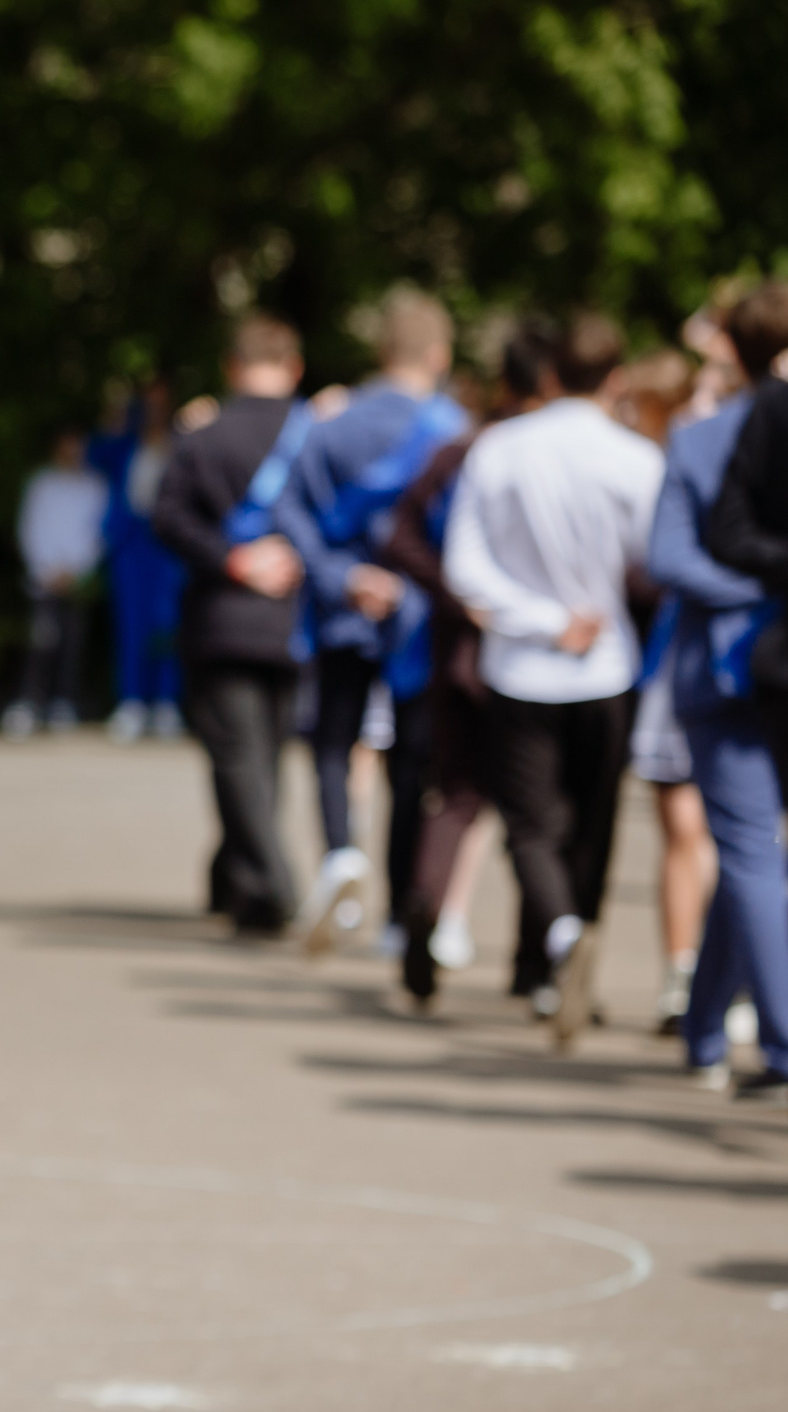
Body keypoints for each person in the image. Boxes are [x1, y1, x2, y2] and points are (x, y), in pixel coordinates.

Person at [445, 311, 664, 1049]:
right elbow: (654, 557)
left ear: (547, 375)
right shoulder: (634, 458)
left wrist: (537, 617)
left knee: (531, 825)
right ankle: (572, 949)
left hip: (522, 666)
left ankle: (560, 943)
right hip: (605, 665)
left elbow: (465, 566)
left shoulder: (498, 450)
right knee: (591, 827)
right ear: (617, 378)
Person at [273, 285, 468, 953]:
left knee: (334, 739)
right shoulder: (454, 431)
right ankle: (396, 913)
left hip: (343, 608)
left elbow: (287, 509)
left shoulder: (331, 425)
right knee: (412, 765)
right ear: (437, 354)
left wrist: (342, 576)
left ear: (382, 351)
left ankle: (339, 855)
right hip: (418, 620)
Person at [655, 282, 788, 1098]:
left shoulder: (707, 435)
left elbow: (672, 557)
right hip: (739, 666)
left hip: (736, 667)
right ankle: (786, 1044)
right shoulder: (708, 436)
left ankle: (724, 1029)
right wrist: (772, 590)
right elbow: (673, 554)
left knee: (749, 857)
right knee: (754, 855)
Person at [386, 321, 562, 1006]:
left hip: (459, 650)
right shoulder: (524, 455)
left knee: (456, 794)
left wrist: (453, 595)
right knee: (539, 812)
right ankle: (535, 962)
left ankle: (424, 905)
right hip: (538, 658)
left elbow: (398, 534)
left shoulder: (462, 451)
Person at [152, 313, 308, 935]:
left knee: (237, 759)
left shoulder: (204, 435)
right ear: (293, 368)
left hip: (221, 617)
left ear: (232, 367)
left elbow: (168, 517)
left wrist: (232, 559)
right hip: (292, 618)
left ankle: (274, 884)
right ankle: (241, 885)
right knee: (265, 758)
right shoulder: (315, 437)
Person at [610, 350, 714, 1033]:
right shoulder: (663, 463)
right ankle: (685, 978)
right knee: (687, 827)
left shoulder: (694, 452)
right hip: (676, 661)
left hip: (710, 663)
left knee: (723, 835)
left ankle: (713, 983)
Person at [92, 376, 186, 742]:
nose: (153, 412)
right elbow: (93, 456)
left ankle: (166, 702)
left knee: (168, 625)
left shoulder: (179, 443)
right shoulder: (124, 443)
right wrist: (114, 419)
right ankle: (131, 701)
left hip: (168, 545)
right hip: (131, 543)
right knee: (131, 624)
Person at [8, 429, 107, 737]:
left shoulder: (95, 486)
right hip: (43, 578)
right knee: (41, 642)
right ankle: (29, 701)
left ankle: (64, 702)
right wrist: (45, 568)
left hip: (77, 579)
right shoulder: (41, 484)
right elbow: (30, 529)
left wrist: (76, 570)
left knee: (72, 643)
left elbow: (98, 534)